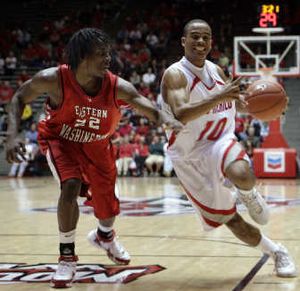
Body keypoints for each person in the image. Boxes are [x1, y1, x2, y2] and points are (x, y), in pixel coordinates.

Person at [5, 27, 182, 289]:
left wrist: (170, 121)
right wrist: (13, 134)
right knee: (70, 186)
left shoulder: (117, 86)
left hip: (98, 145)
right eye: (101, 54)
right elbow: (20, 96)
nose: (108, 59)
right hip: (60, 140)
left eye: (108, 53)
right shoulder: (53, 80)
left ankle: (105, 236)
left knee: (107, 205)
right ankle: (67, 257)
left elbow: (150, 109)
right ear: (82, 57)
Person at [160, 19, 296, 278]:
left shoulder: (217, 71)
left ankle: (248, 193)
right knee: (229, 219)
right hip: (189, 157)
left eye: (205, 38)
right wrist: (221, 96)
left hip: (220, 140)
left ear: (211, 42)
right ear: (184, 41)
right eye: (195, 37)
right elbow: (181, 113)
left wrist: (271, 107)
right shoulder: (175, 74)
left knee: (242, 173)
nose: (200, 42)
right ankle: (276, 250)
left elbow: (238, 105)